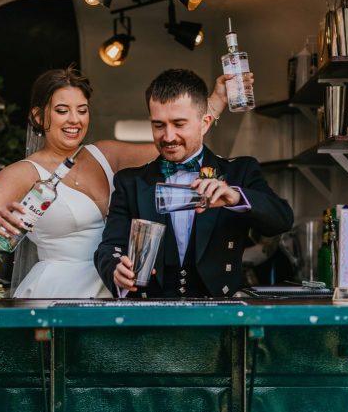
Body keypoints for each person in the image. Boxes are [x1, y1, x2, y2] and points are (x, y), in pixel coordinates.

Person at [0, 65, 231, 299]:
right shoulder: (25, 172)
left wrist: (214, 104)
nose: (74, 120)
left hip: (115, 285)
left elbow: (175, 144)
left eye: (82, 110)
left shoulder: (106, 154)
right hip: (59, 290)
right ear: (38, 116)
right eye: (62, 110)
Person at [94, 68, 294, 298]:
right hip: (150, 316)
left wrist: (236, 197)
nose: (168, 137)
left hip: (221, 314)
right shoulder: (130, 182)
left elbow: (282, 219)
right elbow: (110, 248)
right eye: (159, 125)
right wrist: (116, 271)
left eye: (179, 124)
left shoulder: (239, 172)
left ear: (205, 123)